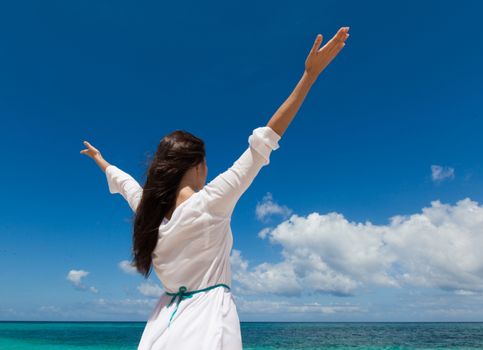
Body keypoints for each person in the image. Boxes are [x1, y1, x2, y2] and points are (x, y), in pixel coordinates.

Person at [80, 26, 350, 350]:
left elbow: (126, 185)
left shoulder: (150, 212)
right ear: (197, 166)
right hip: (207, 320)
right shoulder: (210, 202)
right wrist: (310, 75)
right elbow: (266, 139)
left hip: (162, 324)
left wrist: (101, 160)